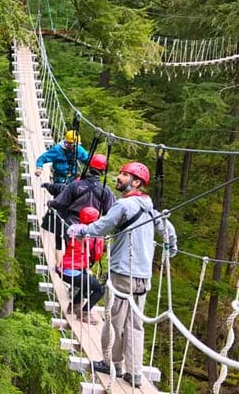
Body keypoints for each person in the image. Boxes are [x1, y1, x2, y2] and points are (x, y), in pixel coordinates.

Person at [69, 161, 178, 388]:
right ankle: (135, 372)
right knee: (135, 324)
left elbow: (103, 226)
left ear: (136, 182)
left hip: (122, 273)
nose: (119, 177)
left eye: (124, 175)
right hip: (143, 276)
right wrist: (171, 247)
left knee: (115, 319)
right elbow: (167, 229)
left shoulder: (124, 205)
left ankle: (112, 363)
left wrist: (83, 231)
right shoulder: (149, 207)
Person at [47, 154, 116, 250]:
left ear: (89, 167)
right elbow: (111, 212)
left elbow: (60, 203)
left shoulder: (76, 185)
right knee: (88, 252)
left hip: (73, 223)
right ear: (103, 171)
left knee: (72, 250)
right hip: (93, 226)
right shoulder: (106, 191)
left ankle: (65, 263)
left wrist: (50, 203)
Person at [58, 206, 105, 325]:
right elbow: (96, 255)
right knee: (99, 289)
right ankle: (84, 313)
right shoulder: (90, 234)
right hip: (74, 271)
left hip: (64, 270)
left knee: (86, 282)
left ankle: (73, 306)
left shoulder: (73, 228)